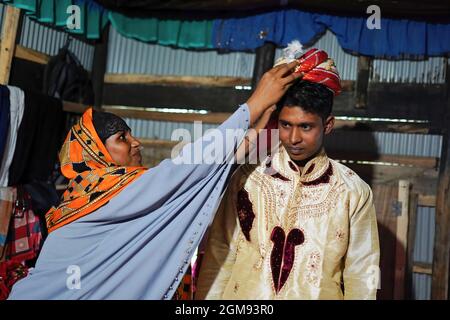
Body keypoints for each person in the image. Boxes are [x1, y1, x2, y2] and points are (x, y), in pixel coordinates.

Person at [7, 61, 301, 300]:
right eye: (122, 138)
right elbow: (184, 170)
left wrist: (258, 123)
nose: (136, 143)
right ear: (96, 153)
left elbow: (208, 169)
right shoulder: (108, 194)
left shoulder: (84, 199)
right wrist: (252, 105)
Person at [195, 48, 380, 300]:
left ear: (328, 125)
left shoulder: (353, 191)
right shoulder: (248, 179)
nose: (293, 138)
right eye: (285, 125)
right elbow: (219, 252)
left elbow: (362, 275)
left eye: (306, 127)